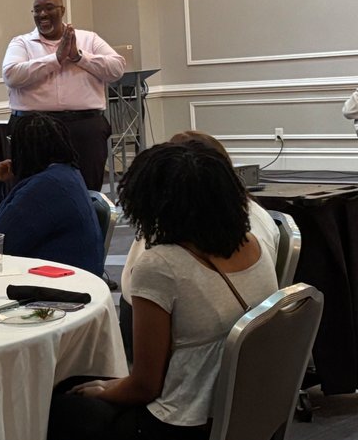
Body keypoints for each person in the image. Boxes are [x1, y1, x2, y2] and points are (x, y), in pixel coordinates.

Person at [22, 141, 277, 440]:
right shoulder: (254, 247)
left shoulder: (162, 265)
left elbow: (144, 387)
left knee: (42, 413)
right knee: (83, 394)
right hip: (238, 435)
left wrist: (102, 390)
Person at [117, 129, 279, 360]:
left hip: (186, 383)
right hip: (247, 370)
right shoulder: (251, 238)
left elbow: (144, 388)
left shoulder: (161, 261)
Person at [2, 0, 125, 190]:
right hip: (33, 128)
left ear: (62, 11)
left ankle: (87, 221)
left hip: (84, 127)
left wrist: (78, 57)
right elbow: (12, 76)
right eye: (37, 10)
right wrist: (56, 59)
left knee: (87, 190)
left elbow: (117, 68)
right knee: (34, 191)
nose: (42, 14)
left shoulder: (89, 39)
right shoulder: (21, 43)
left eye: (49, 8)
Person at [0, 114, 104, 275]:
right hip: (71, 277)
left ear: (22, 150)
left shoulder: (45, 188)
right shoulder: (66, 173)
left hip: (60, 286)